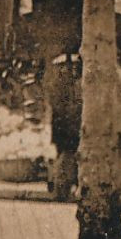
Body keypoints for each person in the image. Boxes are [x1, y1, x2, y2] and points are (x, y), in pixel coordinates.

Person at [45, 51, 81, 201]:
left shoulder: (57, 84)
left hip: (62, 126)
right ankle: (62, 186)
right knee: (67, 156)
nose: (70, 69)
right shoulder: (64, 85)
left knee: (63, 155)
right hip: (67, 125)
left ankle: (60, 186)